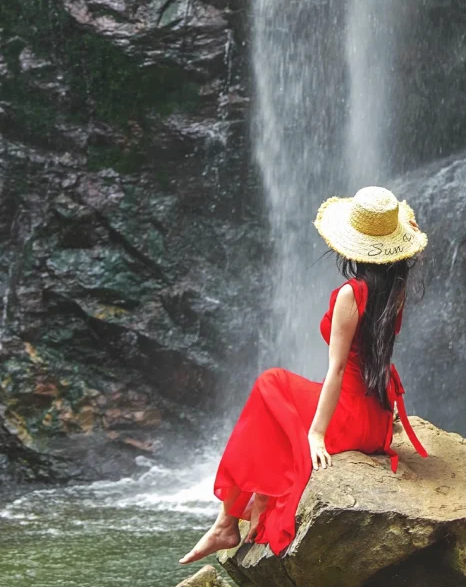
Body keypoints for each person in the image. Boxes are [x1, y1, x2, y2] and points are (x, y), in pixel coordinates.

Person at [179, 185, 427, 563]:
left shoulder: (351, 293)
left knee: (271, 383)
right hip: (375, 418)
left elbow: (339, 368)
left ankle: (225, 524)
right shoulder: (396, 289)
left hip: (349, 414)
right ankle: (231, 520)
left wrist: (316, 433)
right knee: (280, 404)